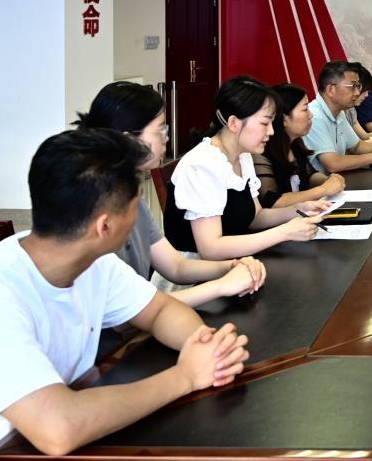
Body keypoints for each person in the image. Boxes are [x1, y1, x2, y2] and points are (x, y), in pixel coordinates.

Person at [0, 129, 250, 461]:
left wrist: (204, 346)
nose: (140, 215)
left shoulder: (89, 261)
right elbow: (58, 429)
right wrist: (186, 376)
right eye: (136, 204)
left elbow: (159, 310)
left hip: (26, 452)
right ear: (104, 226)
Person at [75, 82, 267, 305]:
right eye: (160, 130)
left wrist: (232, 266)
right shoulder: (95, 210)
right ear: (129, 140)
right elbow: (128, 312)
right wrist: (221, 286)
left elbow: (175, 266)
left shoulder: (133, 199)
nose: (166, 138)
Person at [163, 75, 326, 259]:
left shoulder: (243, 155)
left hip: (238, 262)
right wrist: (284, 232)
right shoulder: (202, 164)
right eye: (264, 123)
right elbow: (210, 249)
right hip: (198, 270)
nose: (271, 131)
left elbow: (256, 217)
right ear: (234, 123)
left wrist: (299, 209)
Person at [305, 61, 372, 174]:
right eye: (352, 86)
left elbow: (357, 146)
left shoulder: (339, 113)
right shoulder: (314, 116)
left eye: (358, 86)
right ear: (331, 90)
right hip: (323, 183)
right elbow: (333, 164)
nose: (357, 93)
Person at [252, 82, 347, 208]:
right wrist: (323, 189)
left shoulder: (295, 143)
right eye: (305, 109)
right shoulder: (261, 153)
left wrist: (328, 180)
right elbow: (272, 201)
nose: (311, 114)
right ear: (284, 118)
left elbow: (309, 175)